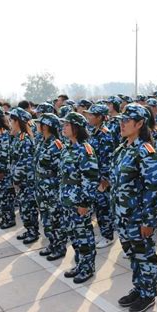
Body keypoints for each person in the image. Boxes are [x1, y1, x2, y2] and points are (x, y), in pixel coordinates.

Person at [111, 104, 157, 312]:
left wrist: (149, 221)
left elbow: (154, 189)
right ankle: (139, 287)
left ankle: (149, 293)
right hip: (123, 215)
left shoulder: (146, 152)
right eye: (121, 119)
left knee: (145, 255)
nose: (121, 124)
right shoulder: (123, 148)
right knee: (133, 255)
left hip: (138, 217)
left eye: (127, 120)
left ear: (140, 124)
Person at [60, 112, 99, 284]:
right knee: (74, 235)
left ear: (76, 128)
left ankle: (88, 267)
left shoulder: (85, 149)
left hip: (79, 200)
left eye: (67, 125)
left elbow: (91, 178)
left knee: (84, 236)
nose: (64, 127)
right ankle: (80, 263)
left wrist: (85, 202)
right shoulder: (67, 146)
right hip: (68, 198)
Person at [34, 113, 67, 261]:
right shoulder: (41, 141)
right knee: (46, 219)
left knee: (56, 220)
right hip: (41, 188)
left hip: (52, 189)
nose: (37, 126)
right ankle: (52, 243)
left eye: (39, 123)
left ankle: (60, 247)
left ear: (46, 126)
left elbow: (61, 171)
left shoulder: (57, 145)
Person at [84, 104, 116, 249]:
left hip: (102, 178)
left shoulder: (105, 134)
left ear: (100, 117)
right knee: (98, 206)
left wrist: (105, 179)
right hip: (95, 177)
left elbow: (107, 159)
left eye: (92, 115)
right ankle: (103, 232)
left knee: (104, 207)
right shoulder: (94, 132)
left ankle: (108, 235)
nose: (89, 117)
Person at [9, 108, 39, 244]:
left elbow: (24, 163)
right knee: (23, 207)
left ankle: (33, 232)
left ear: (17, 121)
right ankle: (29, 230)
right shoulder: (18, 137)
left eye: (11, 120)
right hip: (21, 181)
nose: (10, 123)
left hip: (26, 181)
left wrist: (16, 179)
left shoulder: (24, 139)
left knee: (29, 207)